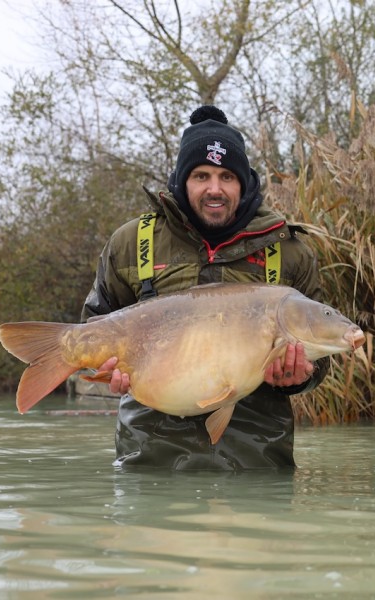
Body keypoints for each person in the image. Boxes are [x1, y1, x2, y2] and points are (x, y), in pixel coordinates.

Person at [82, 105, 328, 471]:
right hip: (151, 460)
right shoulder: (132, 241)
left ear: (243, 183)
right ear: (183, 180)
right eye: (201, 175)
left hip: (257, 462)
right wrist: (107, 373)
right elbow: (93, 328)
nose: (215, 189)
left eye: (227, 176)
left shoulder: (289, 252)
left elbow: (321, 363)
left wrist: (300, 377)